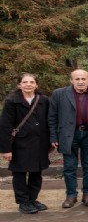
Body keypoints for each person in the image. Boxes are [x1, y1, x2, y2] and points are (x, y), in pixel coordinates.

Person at [49, 69, 88, 208]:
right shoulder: (59, 94)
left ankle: (87, 195)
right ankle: (71, 195)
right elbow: (52, 117)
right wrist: (53, 136)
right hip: (68, 135)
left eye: (83, 79)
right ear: (71, 81)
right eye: (77, 79)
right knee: (69, 167)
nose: (81, 82)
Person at [0, 73, 50, 214]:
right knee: (20, 174)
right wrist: (6, 149)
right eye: (25, 82)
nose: (28, 84)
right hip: (19, 144)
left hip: (40, 143)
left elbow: (49, 121)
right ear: (19, 85)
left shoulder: (43, 100)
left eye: (31, 82)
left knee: (36, 173)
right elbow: (5, 126)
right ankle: (23, 202)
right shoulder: (12, 101)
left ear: (36, 85)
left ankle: (33, 199)